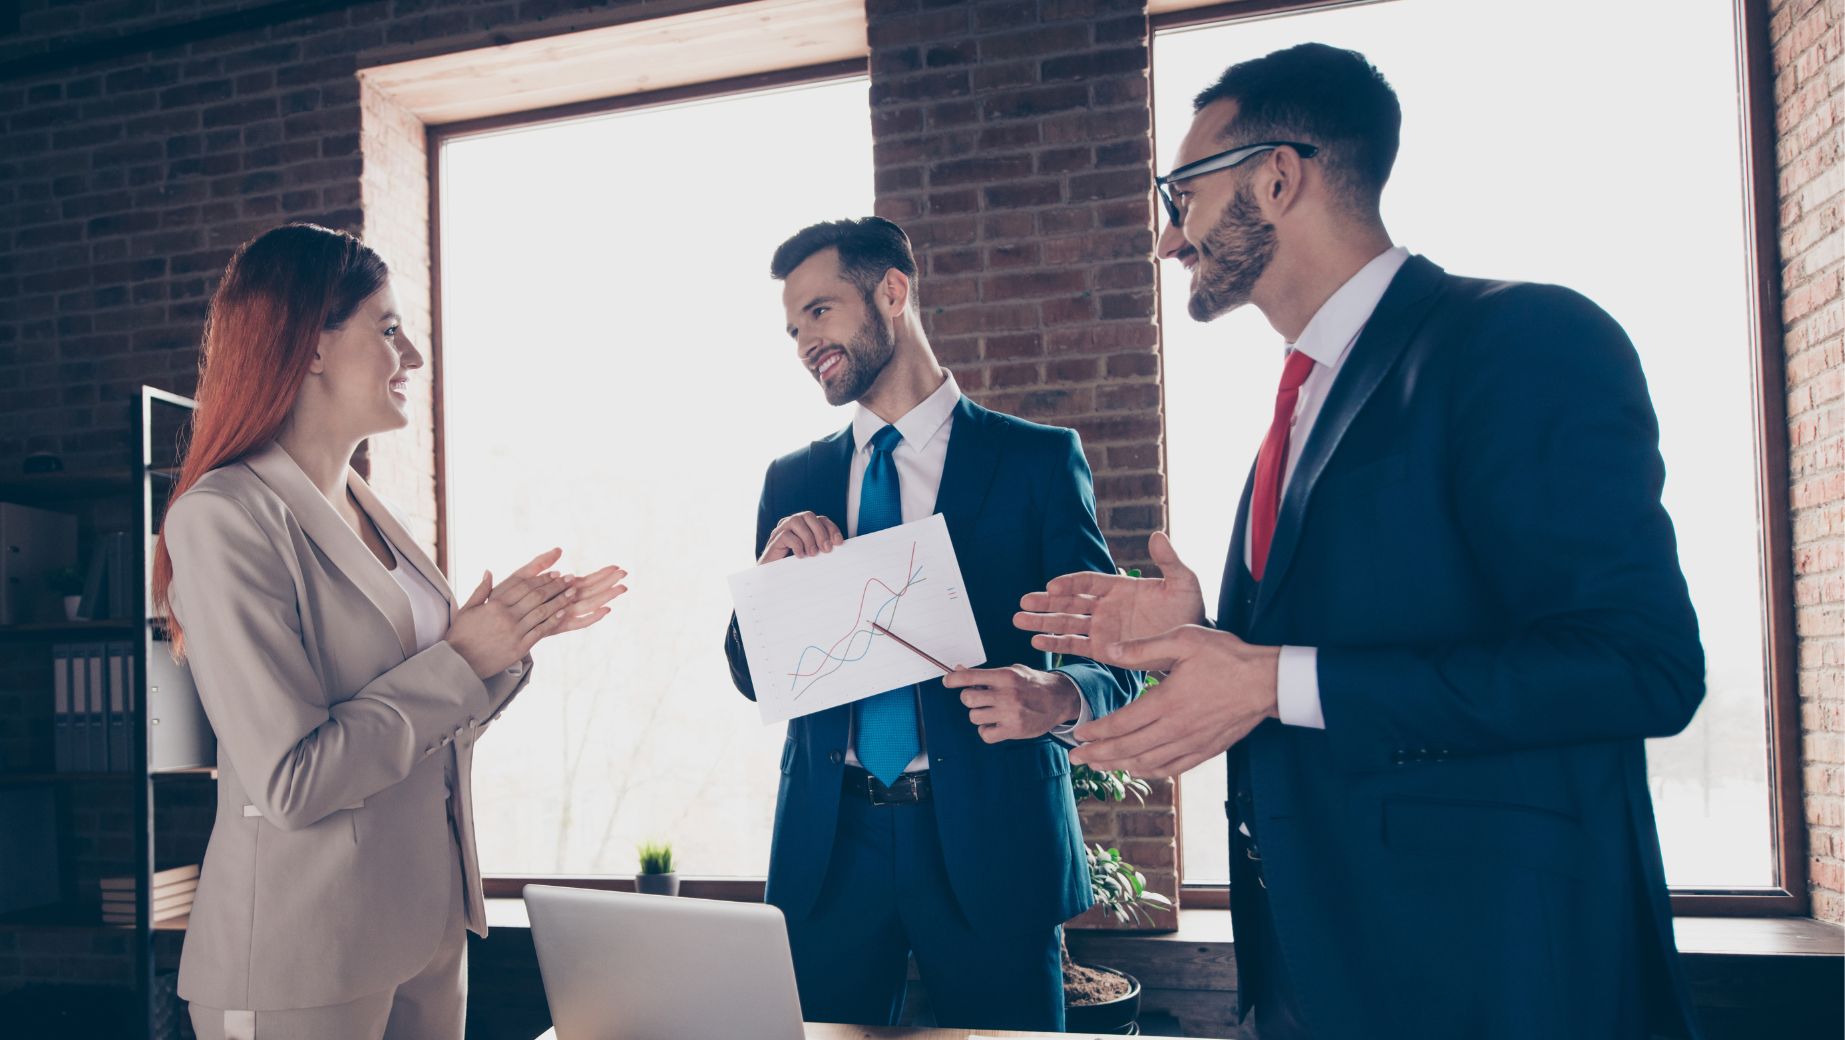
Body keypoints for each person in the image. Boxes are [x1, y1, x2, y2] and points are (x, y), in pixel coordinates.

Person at [1016, 44, 1706, 1040]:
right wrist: (1207, 634)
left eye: (1182, 195)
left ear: (1278, 176)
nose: (1169, 240)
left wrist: (1268, 677)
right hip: (1316, 975)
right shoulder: (1296, 408)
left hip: (1497, 981)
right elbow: (1351, 640)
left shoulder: (1521, 339)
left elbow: (1639, 665)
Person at [153, 223, 627, 1040]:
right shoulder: (223, 517)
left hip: (422, 930)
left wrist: (507, 640)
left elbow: (434, 716)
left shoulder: (378, 513)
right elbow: (293, 779)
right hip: (302, 955)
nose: (409, 358)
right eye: (388, 328)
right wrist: (460, 656)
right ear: (308, 345)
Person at [723, 217, 1138, 1030]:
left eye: (819, 310)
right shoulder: (793, 477)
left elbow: (1115, 657)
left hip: (993, 840)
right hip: (828, 846)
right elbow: (751, 673)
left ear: (892, 291)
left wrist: (1056, 697)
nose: (805, 341)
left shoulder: (1035, 462)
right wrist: (768, 588)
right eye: (792, 327)